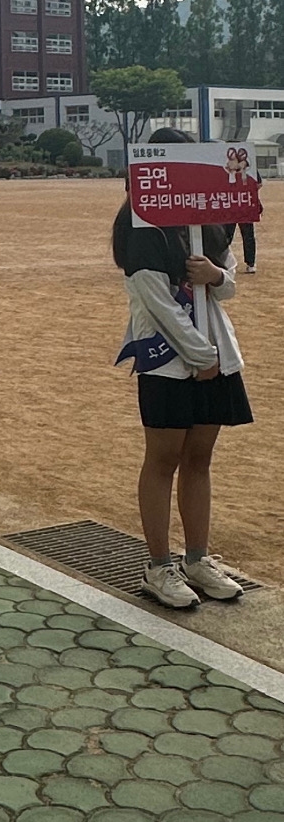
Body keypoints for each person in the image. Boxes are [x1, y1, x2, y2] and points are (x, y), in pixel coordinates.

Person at [114, 192, 250, 610]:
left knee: (199, 458)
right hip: (166, 363)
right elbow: (157, 304)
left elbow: (227, 286)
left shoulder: (207, 224)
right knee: (163, 459)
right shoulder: (142, 230)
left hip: (216, 356)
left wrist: (216, 275)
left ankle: (197, 559)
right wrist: (200, 355)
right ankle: (158, 567)